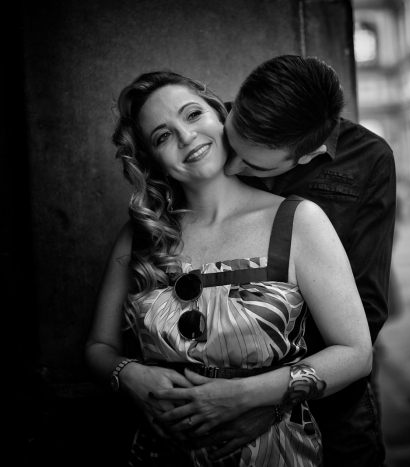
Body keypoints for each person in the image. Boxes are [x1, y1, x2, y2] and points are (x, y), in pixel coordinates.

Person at [84, 71, 373, 466]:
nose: (185, 137)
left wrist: (247, 397)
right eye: (163, 136)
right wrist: (129, 375)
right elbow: (98, 348)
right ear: (152, 159)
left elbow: (356, 354)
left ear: (220, 116)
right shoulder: (140, 236)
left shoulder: (298, 221)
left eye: (192, 115)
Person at [152, 56, 395, 466]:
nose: (231, 166)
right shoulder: (206, 128)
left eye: (253, 165)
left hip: (332, 403)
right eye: (232, 143)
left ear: (308, 155)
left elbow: (365, 309)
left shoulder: (368, 158)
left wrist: (270, 403)